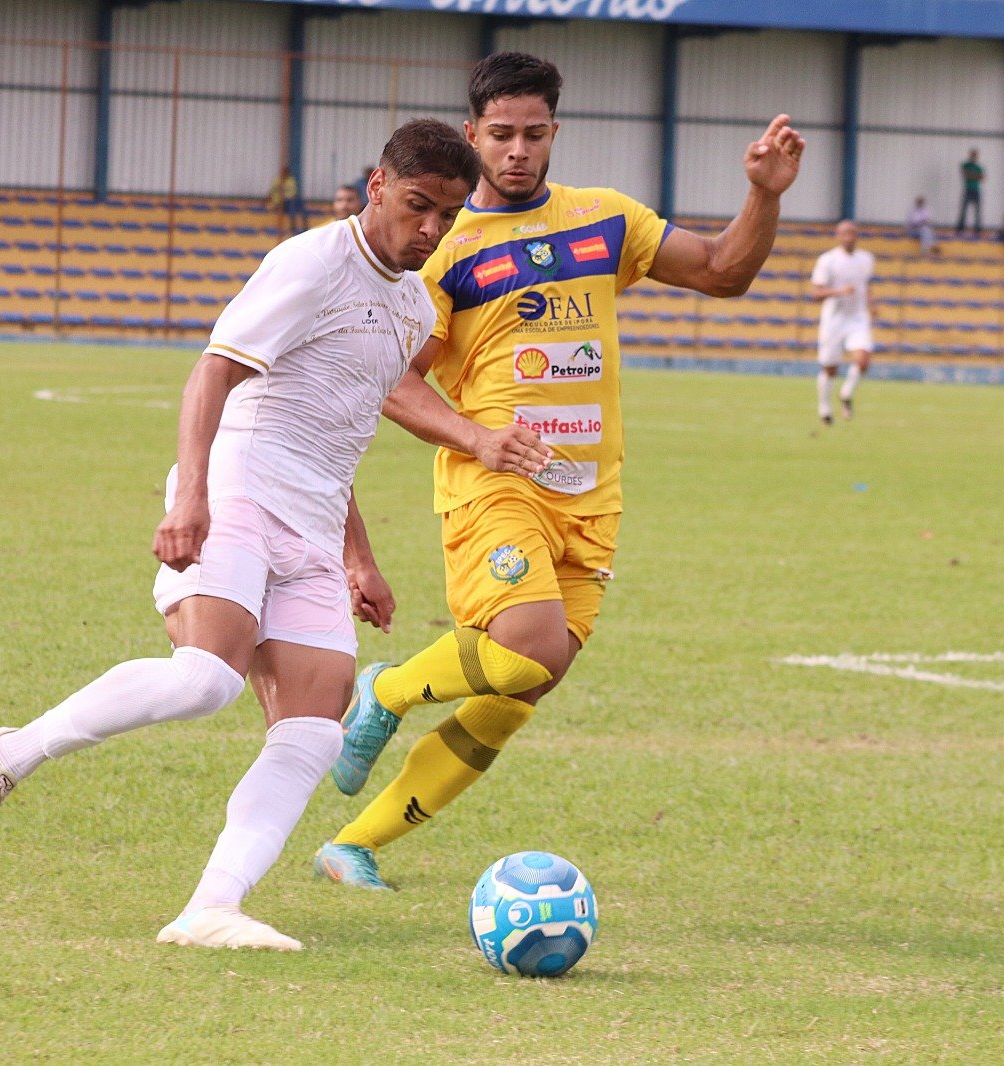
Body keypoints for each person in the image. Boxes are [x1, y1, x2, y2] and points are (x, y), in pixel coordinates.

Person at [0, 120, 483, 950]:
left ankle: (211, 907)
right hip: (238, 492)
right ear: (378, 188)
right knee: (206, 680)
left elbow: (340, 429)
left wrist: (357, 557)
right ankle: (8, 754)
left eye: (448, 213)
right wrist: (191, 497)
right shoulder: (310, 262)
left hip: (315, 523)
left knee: (313, 729)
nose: (432, 230)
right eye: (418, 207)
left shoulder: (409, 307)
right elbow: (214, 370)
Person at [312, 51, 803, 890]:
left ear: (553, 134)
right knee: (528, 645)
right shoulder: (447, 249)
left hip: (591, 498)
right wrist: (476, 439)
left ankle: (353, 844)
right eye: (500, 135)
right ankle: (387, 690)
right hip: (493, 485)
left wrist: (763, 194)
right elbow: (394, 381)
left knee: (522, 688)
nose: (516, 151)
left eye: (533, 134)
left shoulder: (605, 221)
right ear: (472, 136)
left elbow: (725, 272)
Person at [809, 219, 875, 425]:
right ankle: (824, 407)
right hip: (834, 319)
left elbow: (865, 286)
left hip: (857, 318)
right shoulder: (827, 260)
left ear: (857, 236)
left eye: (852, 233)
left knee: (863, 360)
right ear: (838, 236)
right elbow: (816, 293)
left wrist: (872, 304)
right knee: (830, 368)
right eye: (844, 233)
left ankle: (846, 393)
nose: (849, 237)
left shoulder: (866, 259)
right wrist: (839, 291)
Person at [267, 165, 306, 237]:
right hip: (280, 203)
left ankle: (305, 227)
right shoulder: (276, 180)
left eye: (286, 173)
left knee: (299, 203)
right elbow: (270, 193)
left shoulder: (291, 181)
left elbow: (294, 193)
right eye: (283, 172)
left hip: (290, 201)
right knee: (292, 206)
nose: (284, 174)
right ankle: (293, 227)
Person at [956, 148, 983, 236]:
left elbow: (981, 178)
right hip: (968, 189)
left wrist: (971, 175)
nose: (974, 157)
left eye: (975, 156)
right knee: (964, 209)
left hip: (976, 190)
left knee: (978, 210)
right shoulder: (966, 165)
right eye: (972, 155)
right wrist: (974, 176)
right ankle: (960, 228)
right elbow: (965, 174)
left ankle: (977, 229)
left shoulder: (978, 167)